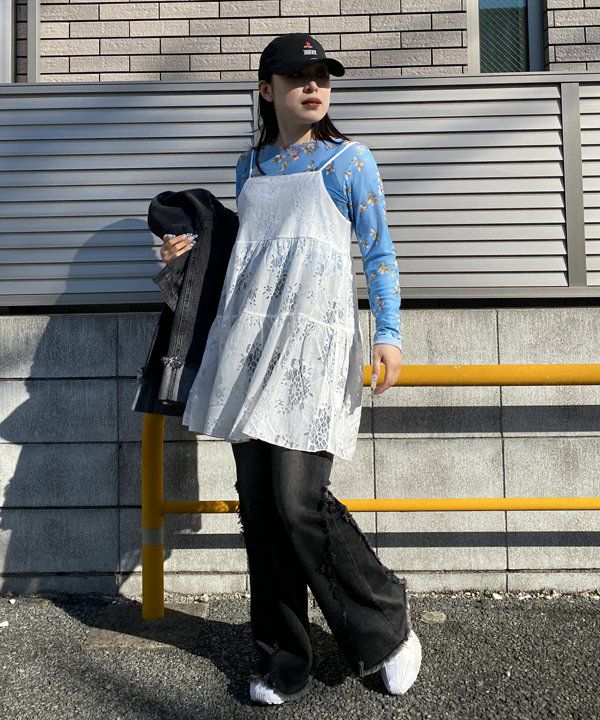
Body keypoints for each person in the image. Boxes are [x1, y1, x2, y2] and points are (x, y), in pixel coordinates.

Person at [162, 32, 422, 705]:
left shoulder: (349, 161)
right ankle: (282, 657)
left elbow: (381, 252)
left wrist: (389, 334)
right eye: (298, 76)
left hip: (314, 351)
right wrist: (188, 253)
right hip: (249, 351)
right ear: (266, 88)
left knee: (297, 502)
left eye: (322, 77)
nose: (313, 87)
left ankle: (385, 625)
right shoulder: (249, 168)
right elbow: (248, 256)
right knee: (260, 509)